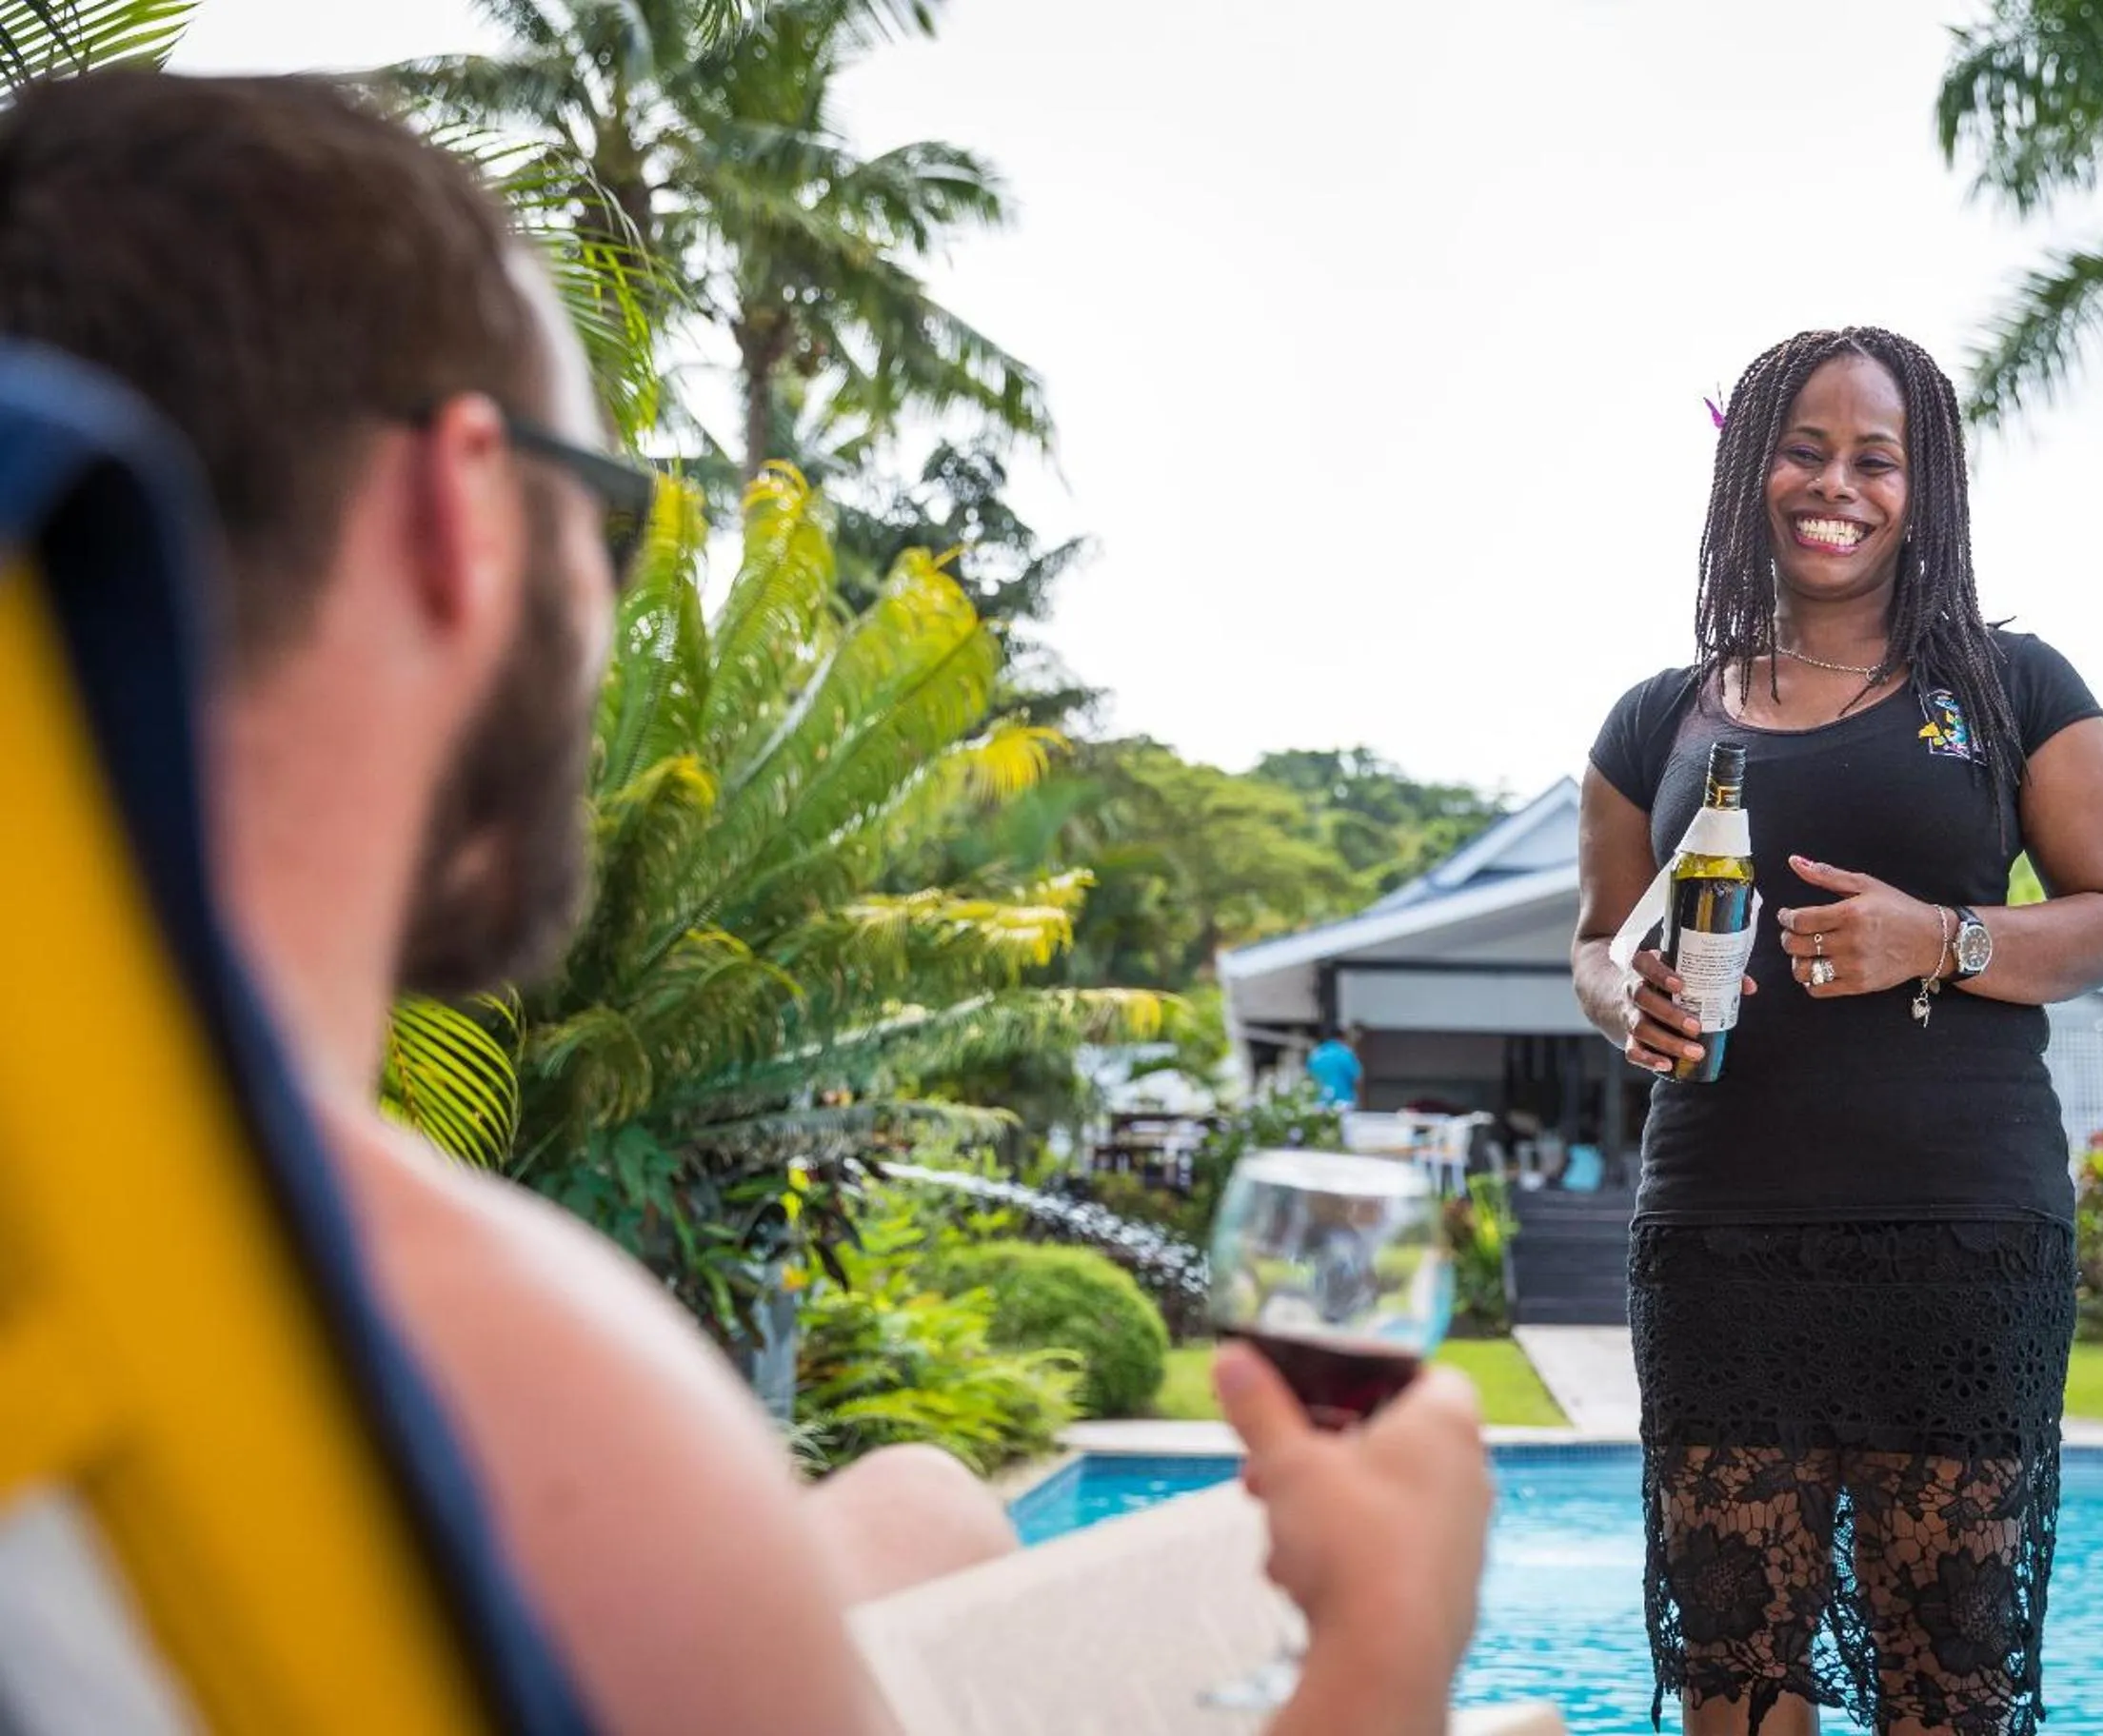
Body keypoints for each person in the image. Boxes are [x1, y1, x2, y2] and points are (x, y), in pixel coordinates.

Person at [0, 71, 1489, 1736]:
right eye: (611, 518)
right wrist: (1383, 1651)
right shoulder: (487, 1373)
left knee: (918, 1501)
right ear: (463, 512)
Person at [1570, 329, 2103, 1736]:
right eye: (1805, 449)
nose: (1839, 484)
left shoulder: (2017, 687)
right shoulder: (1659, 715)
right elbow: (1596, 937)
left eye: (1874, 458)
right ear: (1747, 475)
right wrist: (1616, 996)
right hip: (1722, 1241)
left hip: (1959, 1237)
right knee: (1737, 1683)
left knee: (1944, 1687)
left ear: (1922, 487)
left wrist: (1937, 937)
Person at [1304, 1024, 1367, 1110]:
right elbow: (1357, 1079)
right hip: (1342, 1102)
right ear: (1342, 1038)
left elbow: (1308, 1078)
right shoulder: (1346, 1054)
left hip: (1319, 1102)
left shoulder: (1316, 1053)